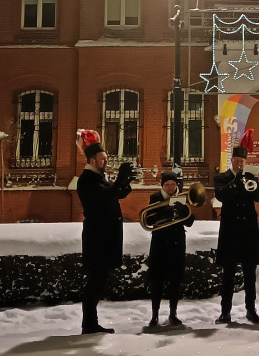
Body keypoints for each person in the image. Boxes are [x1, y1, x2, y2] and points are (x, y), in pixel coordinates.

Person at [75, 129, 134, 334]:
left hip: (105, 238)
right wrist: (120, 179)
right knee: (95, 283)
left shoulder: (99, 177)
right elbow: (107, 196)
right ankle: (89, 325)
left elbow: (118, 193)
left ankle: (91, 324)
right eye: (102, 159)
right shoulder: (87, 180)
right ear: (92, 160)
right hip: (97, 239)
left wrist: (126, 179)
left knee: (98, 283)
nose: (105, 162)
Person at [213, 129, 259, 324]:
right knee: (227, 274)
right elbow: (220, 195)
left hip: (249, 232)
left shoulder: (250, 177)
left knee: (250, 274)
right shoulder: (222, 177)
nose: (239, 164)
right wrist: (236, 182)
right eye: (236, 161)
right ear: (232, 161)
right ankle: (225, 312)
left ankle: (251, 310)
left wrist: (254, 184)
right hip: (230, 231)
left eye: (242, 162)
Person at [145, 170, 195, 329]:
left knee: (175, 280)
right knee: (157, 281)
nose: (170, 187)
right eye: (167, 184)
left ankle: (173, 314)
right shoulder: (155, 198)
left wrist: (183, 211)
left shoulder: (184, 198)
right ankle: (154, 316)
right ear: (162, 185)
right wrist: (165, 211)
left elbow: (190, 222)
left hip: (177, 243)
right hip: (159, 243)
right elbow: (149, 219)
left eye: (173, 184)